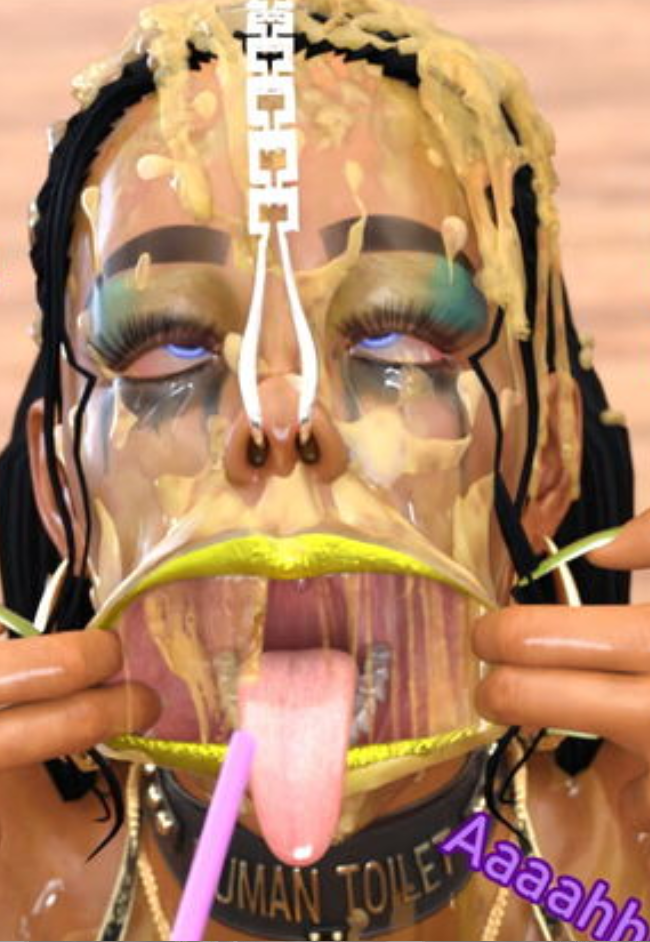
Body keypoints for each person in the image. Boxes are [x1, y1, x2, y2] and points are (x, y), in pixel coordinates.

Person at [0, 0, 647, 939]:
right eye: (166, 345)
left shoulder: (593, 888)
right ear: (61, 486)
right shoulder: (30, 897)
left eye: (399, 334)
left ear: (548, 457)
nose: (280, 417)